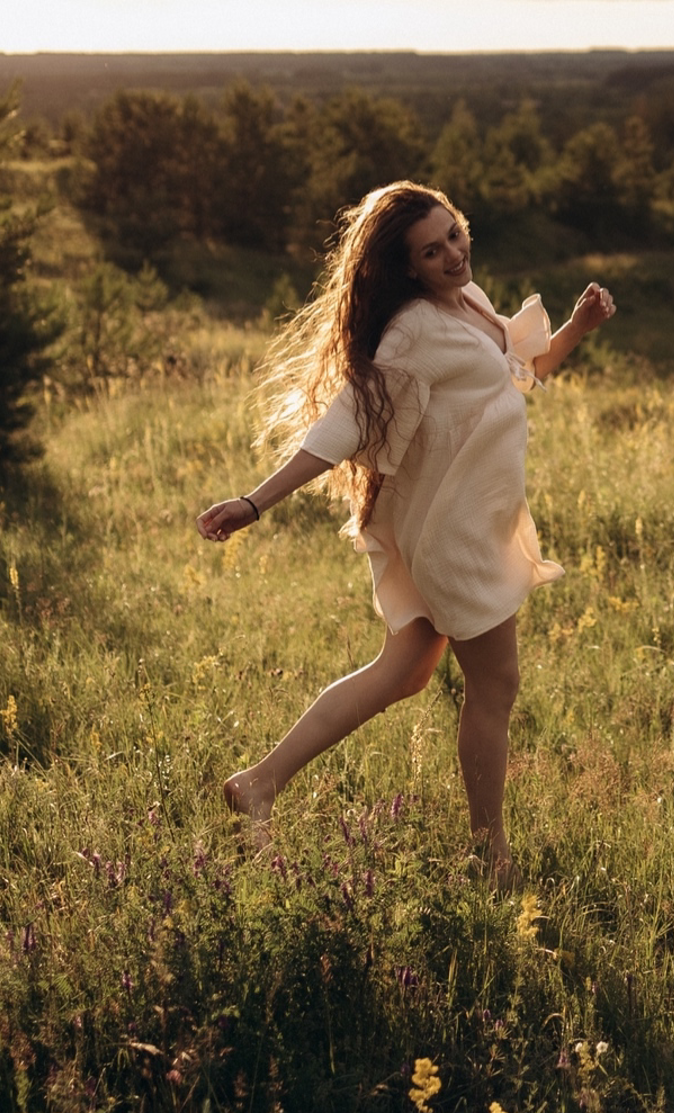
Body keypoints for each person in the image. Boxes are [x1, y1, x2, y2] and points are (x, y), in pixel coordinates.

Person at [195, 180, 615, 882]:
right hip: (455, 539)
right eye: (432, 249)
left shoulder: (472, 303)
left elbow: (520, 371)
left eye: (454, 234)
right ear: (407, 268)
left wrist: (575, 329)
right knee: (495, 688)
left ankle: (258, 784)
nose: (452, 253)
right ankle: (491, 856)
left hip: (463, 520)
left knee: (406, 671)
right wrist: (255, 501)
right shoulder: (414, 331)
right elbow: (347, 421)